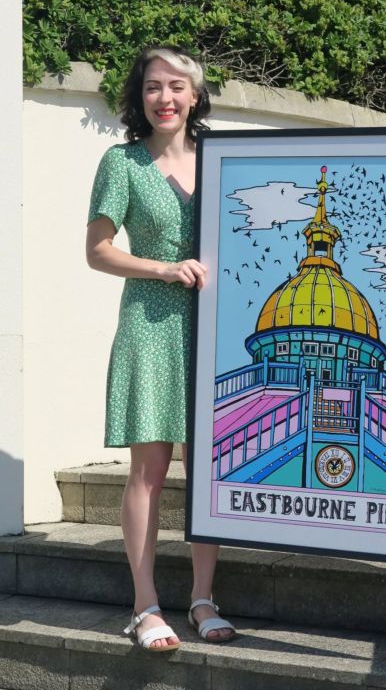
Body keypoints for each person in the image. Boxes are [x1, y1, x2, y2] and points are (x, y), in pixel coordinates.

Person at [86, 45, 235, 652]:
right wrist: (162, 268)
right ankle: (145, 605)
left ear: (196, 95)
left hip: (215, 328)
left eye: (176, 86)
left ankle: (203, 598)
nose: (164, 98)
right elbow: (97, 250)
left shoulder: (226, 161)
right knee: (148, 470)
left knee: (209, 468)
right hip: (150, 323)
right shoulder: (120, 162)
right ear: (139, 96)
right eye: (152, 87)